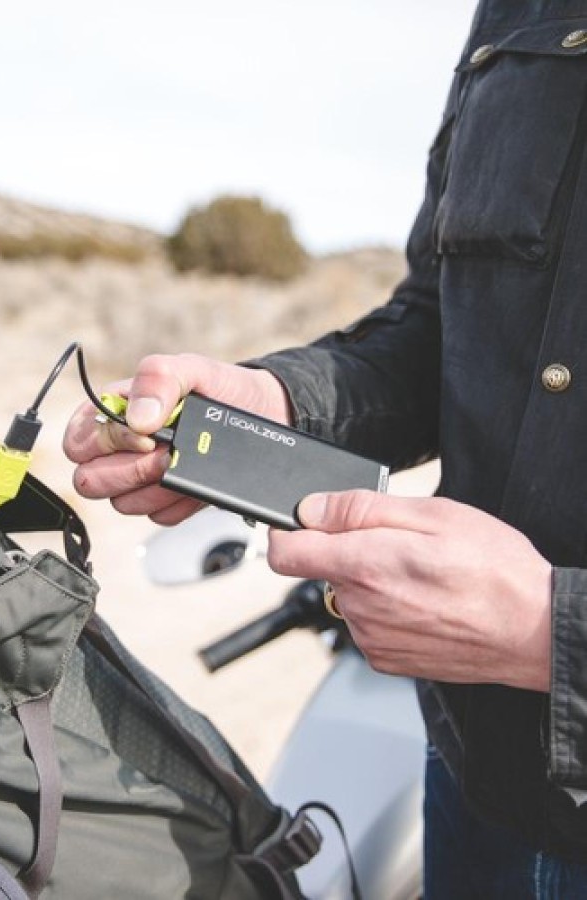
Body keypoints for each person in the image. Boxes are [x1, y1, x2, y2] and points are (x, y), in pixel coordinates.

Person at [63, 2, 587, 897]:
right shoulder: (516, 13)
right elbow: (440, 326)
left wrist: (550, 631)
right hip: (476, 776)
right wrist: (268, 406)